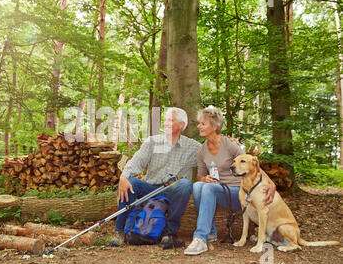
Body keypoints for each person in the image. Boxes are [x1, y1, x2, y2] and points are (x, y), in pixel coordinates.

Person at [184, 106, 276, 255]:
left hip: (238, 193)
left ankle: (200, 238)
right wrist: (204, 178)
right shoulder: (201, 150)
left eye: (203, 124)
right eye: (199, 123)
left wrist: (272, 184)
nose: (198, 126)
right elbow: (200, 176)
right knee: (197, 186)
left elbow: (251, 163)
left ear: (214, 127)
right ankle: (211, 232)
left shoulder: (230, 145)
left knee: (207, 188)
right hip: (218, 192)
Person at [110, 107, 202, 247]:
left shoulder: (193, 146)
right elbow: (137, 162)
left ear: (181, 124)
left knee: (185, 184)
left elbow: (213, 152)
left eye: (170, 120)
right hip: (150, 188)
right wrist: (124, 177)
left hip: (172, 190)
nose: (165, 123)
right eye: (165, 120)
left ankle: (169, 233)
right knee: (131, 182)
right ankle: (121, 231)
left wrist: (232, 144)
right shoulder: (152, 141)